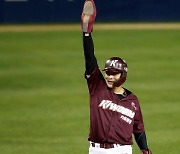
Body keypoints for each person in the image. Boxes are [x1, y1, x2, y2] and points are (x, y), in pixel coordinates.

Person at [81, 0, 152, 154]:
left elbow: (138, 129)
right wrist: (86, 33)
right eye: (108, 72)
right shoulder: (97, 86)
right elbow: (90, 58)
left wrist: (145, 149)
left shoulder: (133, 100)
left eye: (114, 73)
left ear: (123, 75)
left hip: (123, 151)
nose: (109, 76)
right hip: (96, 150)